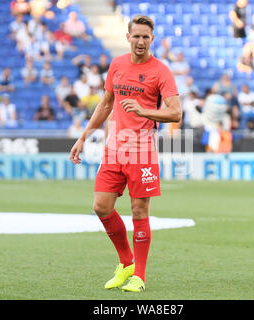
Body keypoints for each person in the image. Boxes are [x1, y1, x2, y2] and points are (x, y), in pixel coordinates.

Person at [69, 15, 181, 293]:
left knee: (139, 211)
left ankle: (139, 277)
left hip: (142, 151)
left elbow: (175, 112)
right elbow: (106, 104)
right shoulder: (117, 65)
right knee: (101, 207)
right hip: (114, 149)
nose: (140, 41)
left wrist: (145, 111)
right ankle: (126, 262)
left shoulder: (161, 71)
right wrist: (84, 136)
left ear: (152, 39)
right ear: (128, 38)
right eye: (136, 36)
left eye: (145, 37)